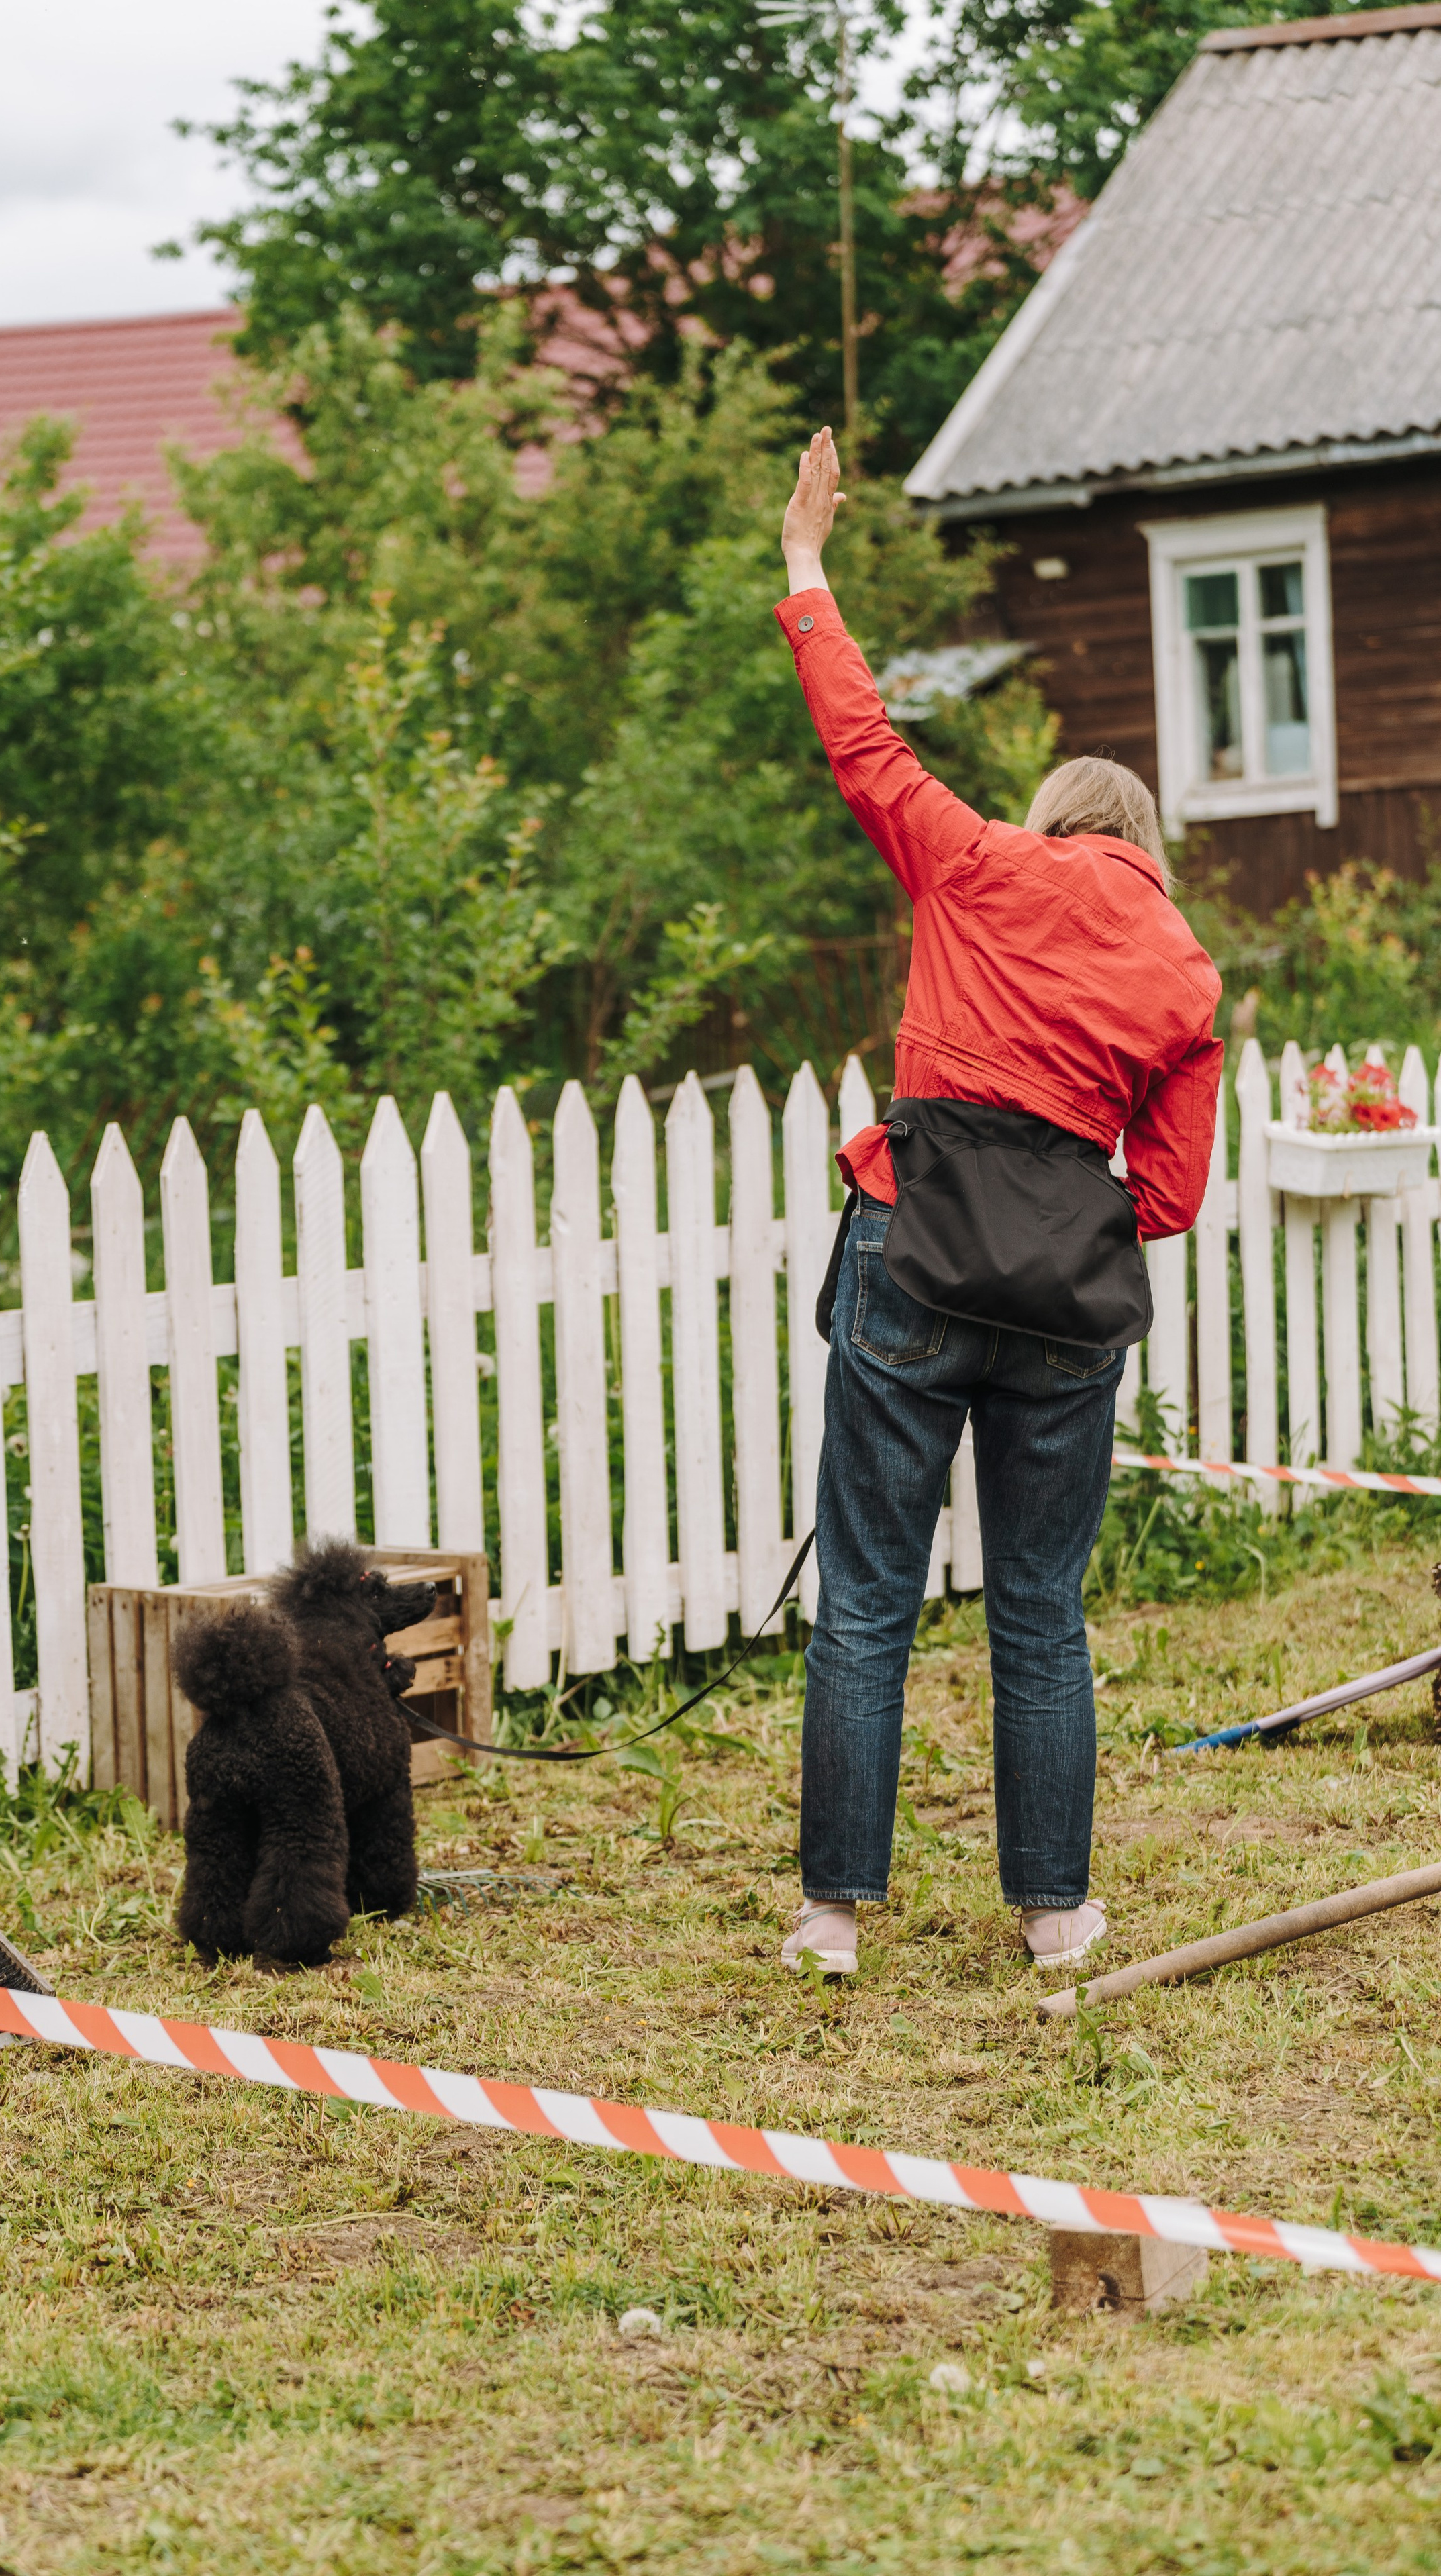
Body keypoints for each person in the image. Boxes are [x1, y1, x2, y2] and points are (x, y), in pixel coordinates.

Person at [775, 427, 1223, 1977]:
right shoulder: (1181, 969)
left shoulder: (975, 865)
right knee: (1037, 1612)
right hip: (1058, 1316)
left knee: (869, 1602)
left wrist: (805, 569)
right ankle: (1053, 1913)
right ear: (1147, 848)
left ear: (1048, 820)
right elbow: (1161, 1197)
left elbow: (865, 745)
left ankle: (833, 1916)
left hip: (911, 1263)